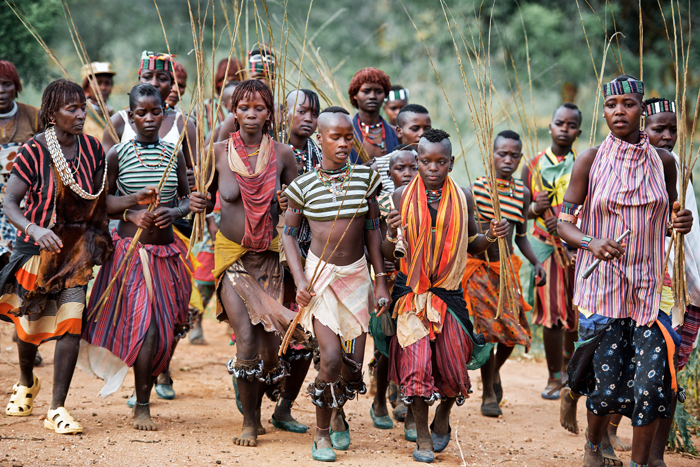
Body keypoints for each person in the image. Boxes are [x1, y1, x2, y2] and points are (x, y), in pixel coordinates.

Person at [557, 75, 693, 467]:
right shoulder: (590, 160)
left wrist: (679, 223)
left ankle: (639, 463)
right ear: (603, 111)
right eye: (611, 104)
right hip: (602, 290)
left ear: (641, 110)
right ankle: (593, 446)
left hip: (648, 292)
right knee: (606, 386)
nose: (619, 111)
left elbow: (668, 218)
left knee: (651, 386)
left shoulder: (664, 163)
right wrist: (591, 242)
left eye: (628, 104)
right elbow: (564, 223)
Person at [81, 83, 207, 430]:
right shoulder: (117, 155)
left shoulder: (173, 153)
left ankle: (145, 391)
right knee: (147, 327)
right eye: (141, 113)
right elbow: (101, 204)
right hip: (131, 256)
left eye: (155, 112)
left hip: (167, 254)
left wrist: (176, 210)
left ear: (164, 114)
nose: (149, 118)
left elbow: (186, 199)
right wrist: (131, 211)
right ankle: (142, 405)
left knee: (166, 333)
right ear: (130, 115)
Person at [382, 128, 509, 462]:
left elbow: (472, 244)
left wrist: (491, 236)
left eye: (440, 162)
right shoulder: (400, 197)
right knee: (416, 364)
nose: (433, 168)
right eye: (426, 161)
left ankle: (442, 417)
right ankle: (423, 438)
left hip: (449, 292)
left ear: (451, 163)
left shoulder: (463, 197)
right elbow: (387, 252)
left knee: (454, 367)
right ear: (417, 162)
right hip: (411, 292)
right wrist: (392, 232)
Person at [0, 79, 112, 434]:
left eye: (83, 108)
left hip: (75, 253)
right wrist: (34, 229)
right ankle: (26, 380)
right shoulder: (34, 150)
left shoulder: (92, 149)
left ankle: (57, 408)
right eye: (71, 109)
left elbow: (100, 202)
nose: (80, 115)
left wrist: (136, 203)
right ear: (51, 114)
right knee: (28, 327)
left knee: (71, 324)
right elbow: (9, 202)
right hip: (35, 250)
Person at [282, 106, 391, 462]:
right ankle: (322, 434)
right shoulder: (302, 186)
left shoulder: (365, 179)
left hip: (357, 277)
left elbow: (373, 230)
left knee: (353, 369)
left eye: (348, 137)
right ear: (320, 139)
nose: (344, 144)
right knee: (330, 359)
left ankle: (338, 409)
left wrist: (380, 281)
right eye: (336, 137)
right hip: (321, 279)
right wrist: (300, 279)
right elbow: (288, 235)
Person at [208, 79, 300, 447]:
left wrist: (288, 205)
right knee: (246, 340)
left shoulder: (284, 154)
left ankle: (264, 396)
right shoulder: (217, 152)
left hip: (272, 258)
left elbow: (298, 209)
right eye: (243, 107)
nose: (250, 114)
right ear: (233, 112)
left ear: (269, 114)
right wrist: (195, 203)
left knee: (270, 348)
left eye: (259, 108)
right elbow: (198, 195)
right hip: (233, 258)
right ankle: (250, 422)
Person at [463, 130, 546, 418]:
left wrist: (536, 262)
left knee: (514, 330)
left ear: (520, 158)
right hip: (479, 268)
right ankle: (488, 392)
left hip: (506, 269)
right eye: (502, 154)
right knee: (486, 331)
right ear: (492, 156)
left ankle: (494, 371)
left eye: (514, 155)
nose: (508, 160)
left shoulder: (522, 193)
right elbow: (468, 234)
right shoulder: (476, 189)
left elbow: (521, 237)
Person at [643, 96, 700, 467]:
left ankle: (656, 455)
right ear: (642, 130)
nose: (667, 136)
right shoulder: (631, 167)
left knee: (670, 371)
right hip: (645, 281)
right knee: (640, 369)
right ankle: (602, 438)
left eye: (672, 129)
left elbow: (691, 230)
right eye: (658, 129)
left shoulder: (682, 168)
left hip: (680, 281)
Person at [521, 103, 582, 400]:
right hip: (545, 247)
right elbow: (520, 213)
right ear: (550, 127)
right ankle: (553, 376)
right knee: (552, 314)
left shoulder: (584, 164)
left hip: (576, 249)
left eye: (571, 125)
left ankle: (571, 372)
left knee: (576, 311)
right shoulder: (532, 166)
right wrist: (536, 208)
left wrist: (570, 232)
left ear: (578, 132)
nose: (564, 129)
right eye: (560, 123)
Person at [270, 88, 322, 434]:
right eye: (301, 111)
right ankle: (252, 390)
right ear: (283, 113)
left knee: (302, 339)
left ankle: (284, 407)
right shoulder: (268, 151)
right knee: (267, 335)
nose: (308, 118)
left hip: (310, 259)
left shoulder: (322, 154)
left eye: (313, 113)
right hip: (270, 257)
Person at [368, 146, 417, 433]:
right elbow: (373, 242)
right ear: (389, 173)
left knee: (413, 342)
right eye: (400, 168)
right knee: (386, 345)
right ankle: (379, 400)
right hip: (387, 280)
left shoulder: (425, 201)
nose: (408, 173)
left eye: (413, 167)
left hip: (417, 281)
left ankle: (410, 405)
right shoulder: (381, 203)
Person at [102, 51, 197, 166]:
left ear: (171, 84)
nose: (154, 83)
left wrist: (193, 173)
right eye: (147, 77)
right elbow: (105, 170)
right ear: (139, 80)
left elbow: (196, 168)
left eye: (162, 78)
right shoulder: (118, 121)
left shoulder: (184, 124)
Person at [0, 61, 40, 263]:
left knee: (21, 262)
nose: (1, 90)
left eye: (6, 84)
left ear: (16, 86)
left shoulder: (34, 116)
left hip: (25, 203)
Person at [348, 67, 399, 163]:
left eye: (379, 91)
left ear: (385, 95)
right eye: (366, 91)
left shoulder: (396, 134)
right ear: (355, 95)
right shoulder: (346, 134)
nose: (372, 96)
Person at [203, 58, 244, 134]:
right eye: (231, 80)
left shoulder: (247, 104)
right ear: (219, 83)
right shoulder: (204, 107)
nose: (234, 85)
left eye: (238, 81)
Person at [80, 62, 117, 141]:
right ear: (86, 87)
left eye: (107, 83)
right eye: (98, 83)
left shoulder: (111, 113)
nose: (103, 88)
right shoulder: (81, 114)